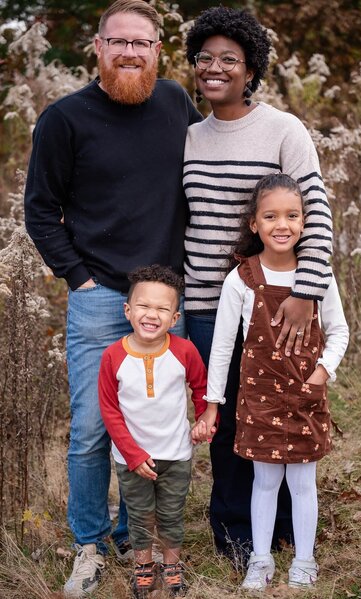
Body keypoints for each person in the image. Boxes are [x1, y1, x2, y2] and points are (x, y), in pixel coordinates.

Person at [24, 0, 202, 596]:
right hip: (100, 296)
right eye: (118, 42)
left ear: (158, 51)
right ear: (97, 47)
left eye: (142, 43)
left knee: (153, 423)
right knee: (94, 428)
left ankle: (137, 535)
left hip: (164, 297)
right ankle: (89, 544)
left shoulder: (177, 102)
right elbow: (40, 210)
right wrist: (78, 278)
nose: (130, 52)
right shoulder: (64, 119)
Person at [184, 6, 333, 561]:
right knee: (225, 425)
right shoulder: (190, 137)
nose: (215, 68)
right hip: (205, 302)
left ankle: (290, 536)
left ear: (251, 69)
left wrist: (306, 292)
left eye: (231, 59)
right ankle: (237, 537)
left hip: (276, 305)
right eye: (206, 58)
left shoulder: (283, 129)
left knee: (283, 417)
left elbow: (315, 211)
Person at [193, 173, 349, 589]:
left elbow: (340, 332)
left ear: (304, 222)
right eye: (271, 216)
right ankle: (260, 560)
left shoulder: (319, 277)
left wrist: (322, 371)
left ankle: (304, 560)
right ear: (254, 224)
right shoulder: (240, 279)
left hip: (305, 397)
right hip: (259, 398)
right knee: (264, 481)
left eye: (292, 215)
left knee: (301, 482)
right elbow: (223, 347)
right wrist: (213, 402)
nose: (283, 225)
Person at [98, 265, 210, 598]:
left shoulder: (184, 351)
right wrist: (132, 455)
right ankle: (144, 566)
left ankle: (172, 565)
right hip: (132, 459)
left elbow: (201, 387)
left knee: (172, 514)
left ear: (175, 318)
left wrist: (205, 419)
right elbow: (109, 409)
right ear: (128, 311)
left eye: (162, 309)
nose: (152, 314)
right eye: (144, 306)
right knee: (141, 516)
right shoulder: (113, 356)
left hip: (176, 454)